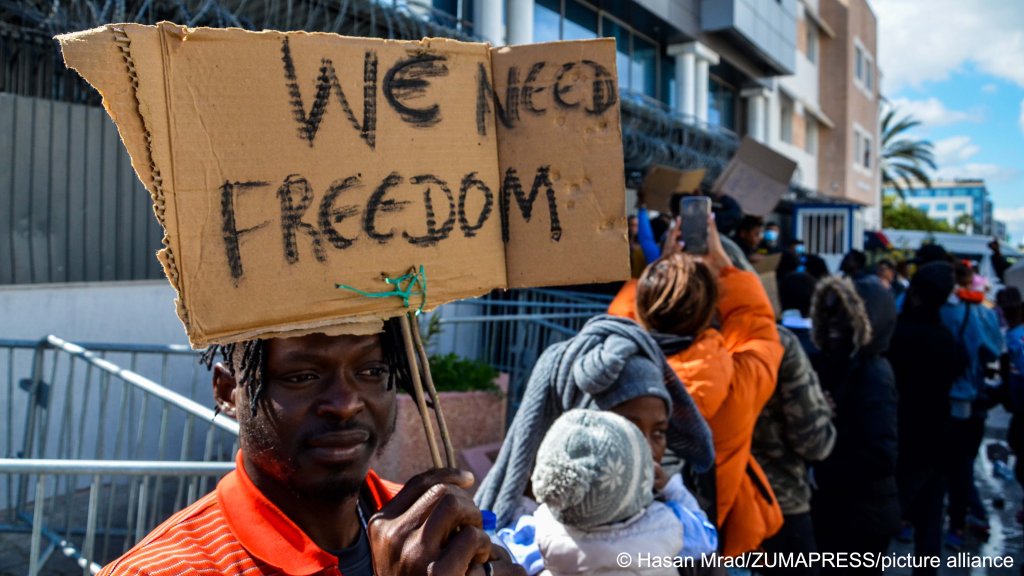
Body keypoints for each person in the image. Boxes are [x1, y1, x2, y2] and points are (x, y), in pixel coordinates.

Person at [99, 319, 525, 576]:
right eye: (302, 376)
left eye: (372, 370)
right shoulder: (166, 569)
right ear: (229, 391)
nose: (345, 403)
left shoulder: (433, 533)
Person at [474, 315, 715, 555]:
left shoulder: (667, 512)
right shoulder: (527, 531)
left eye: (660, 432)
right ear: (580, 428)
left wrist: (673, 490)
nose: (648, 450)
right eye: (629, 430)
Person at [622, 218, 785, 556]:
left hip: (626, 542)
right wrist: (725, 266)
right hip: (709, 538)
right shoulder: (740, 379)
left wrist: (659, 271)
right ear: (711, 307)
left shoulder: (618, 371)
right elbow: (758, 326)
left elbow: (622, 323)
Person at [531, 409, 715, 576]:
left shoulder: (542, 527)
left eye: (658, 433)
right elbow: (706, 538)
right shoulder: (669, 523)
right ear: (641, 477)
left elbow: (512, 550)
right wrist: (672, 488)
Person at [808, 277, 900, 571]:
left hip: (859, 517)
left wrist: (822, 469)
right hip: (838, 511)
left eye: (845, 315)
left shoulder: (872, 374)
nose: (835, 324)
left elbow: (881, 455)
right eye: (830, 312)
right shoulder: (833, 363)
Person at [888, 262, 970, 575]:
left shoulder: (897, 334)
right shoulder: (945, 340)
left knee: (884, 519)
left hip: (901, 437)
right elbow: (961, 365)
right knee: (930, 520)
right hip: (936, 438)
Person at [752, 320, 836, 576]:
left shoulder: (686, 333)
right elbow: (814, 443)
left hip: (707, 504)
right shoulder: (777, 342)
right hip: (780, 503)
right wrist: (823, 411)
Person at [942, 259, 1004, 547]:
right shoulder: (985, 314)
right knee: (963, 463)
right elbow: (992, 351)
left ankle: (956, 518)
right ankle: (961, 520)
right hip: (973, 397)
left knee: (944, 462)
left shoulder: (943, 312)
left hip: (943, 398)